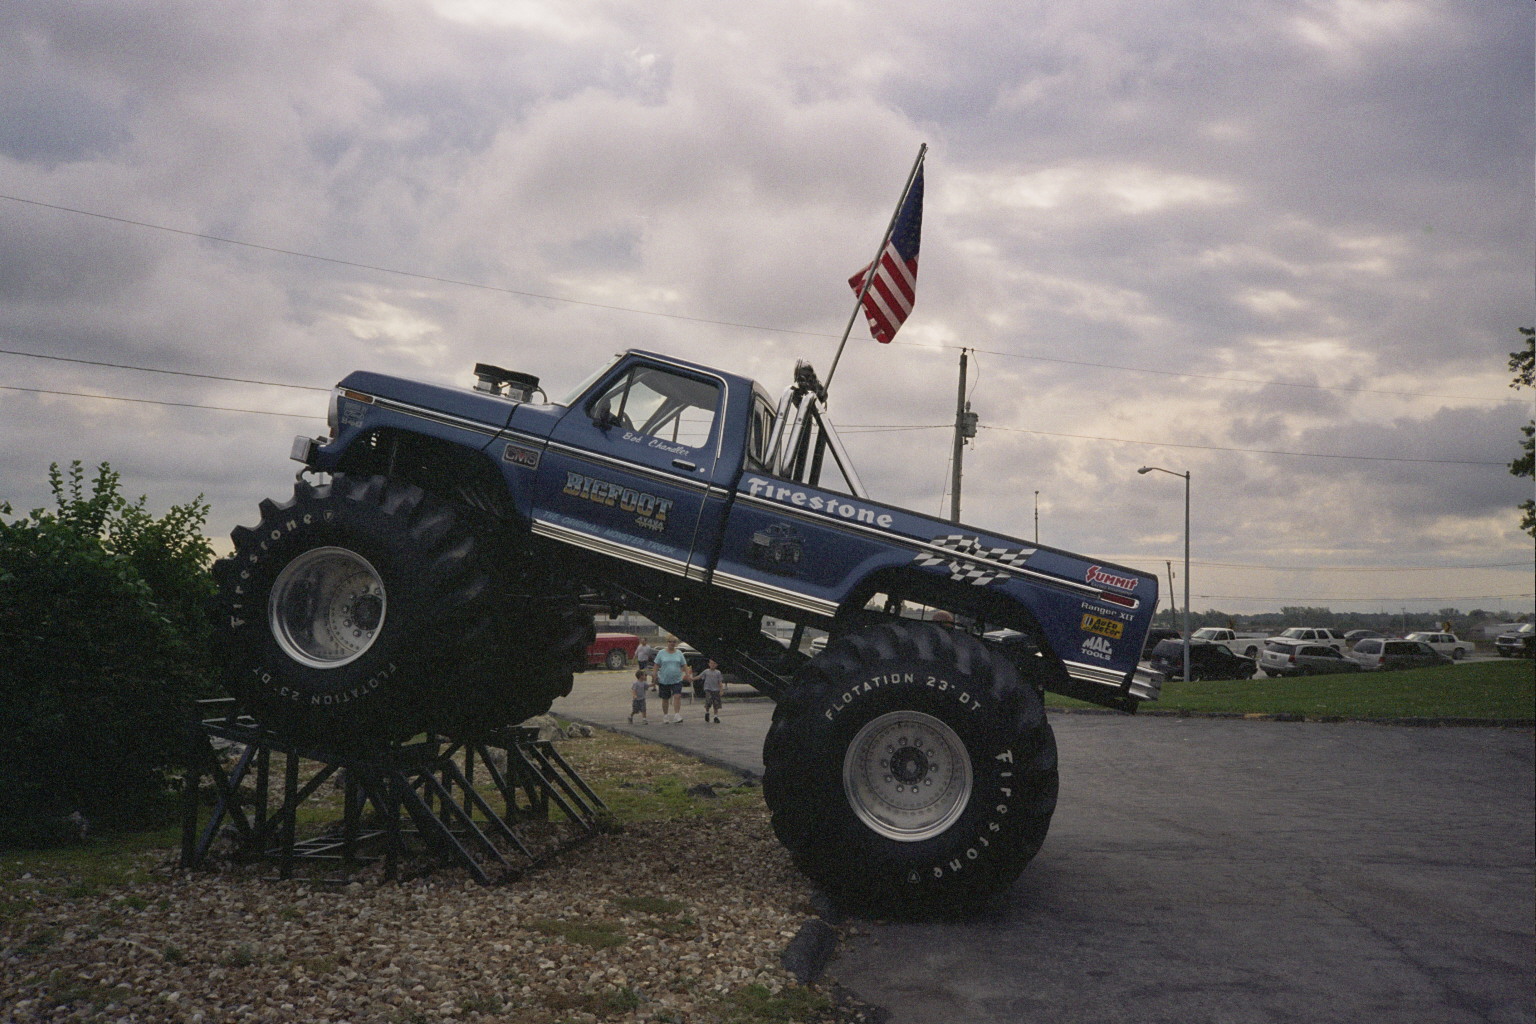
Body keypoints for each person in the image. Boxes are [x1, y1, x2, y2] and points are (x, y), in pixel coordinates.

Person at [652, 637, 690, 724]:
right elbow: (656, 664)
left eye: (674, 642)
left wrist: (687, 675)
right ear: (667, 642)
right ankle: (665, 715)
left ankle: (677, 715)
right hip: (664, 679)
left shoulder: (679, 653)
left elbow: (684, 665)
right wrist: (654, 674)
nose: (672, 643)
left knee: (677, 696)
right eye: (670, 642)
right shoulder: (661, 653)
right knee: (665, 698)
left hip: (676, 679)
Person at [699, 658, 724, 723]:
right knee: (708, 701)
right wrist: (692, 679)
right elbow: (700, 676)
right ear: (709, 664)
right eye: (711, 663)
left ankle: (716, 716)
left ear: (716, 665)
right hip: (708, 689)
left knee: (716, 703)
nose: (712, 665)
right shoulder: (706, 671)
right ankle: (707, 712)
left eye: (714, 663)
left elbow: (720, 682)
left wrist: (721, 690)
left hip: (716, 690)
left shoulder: (718, 672)